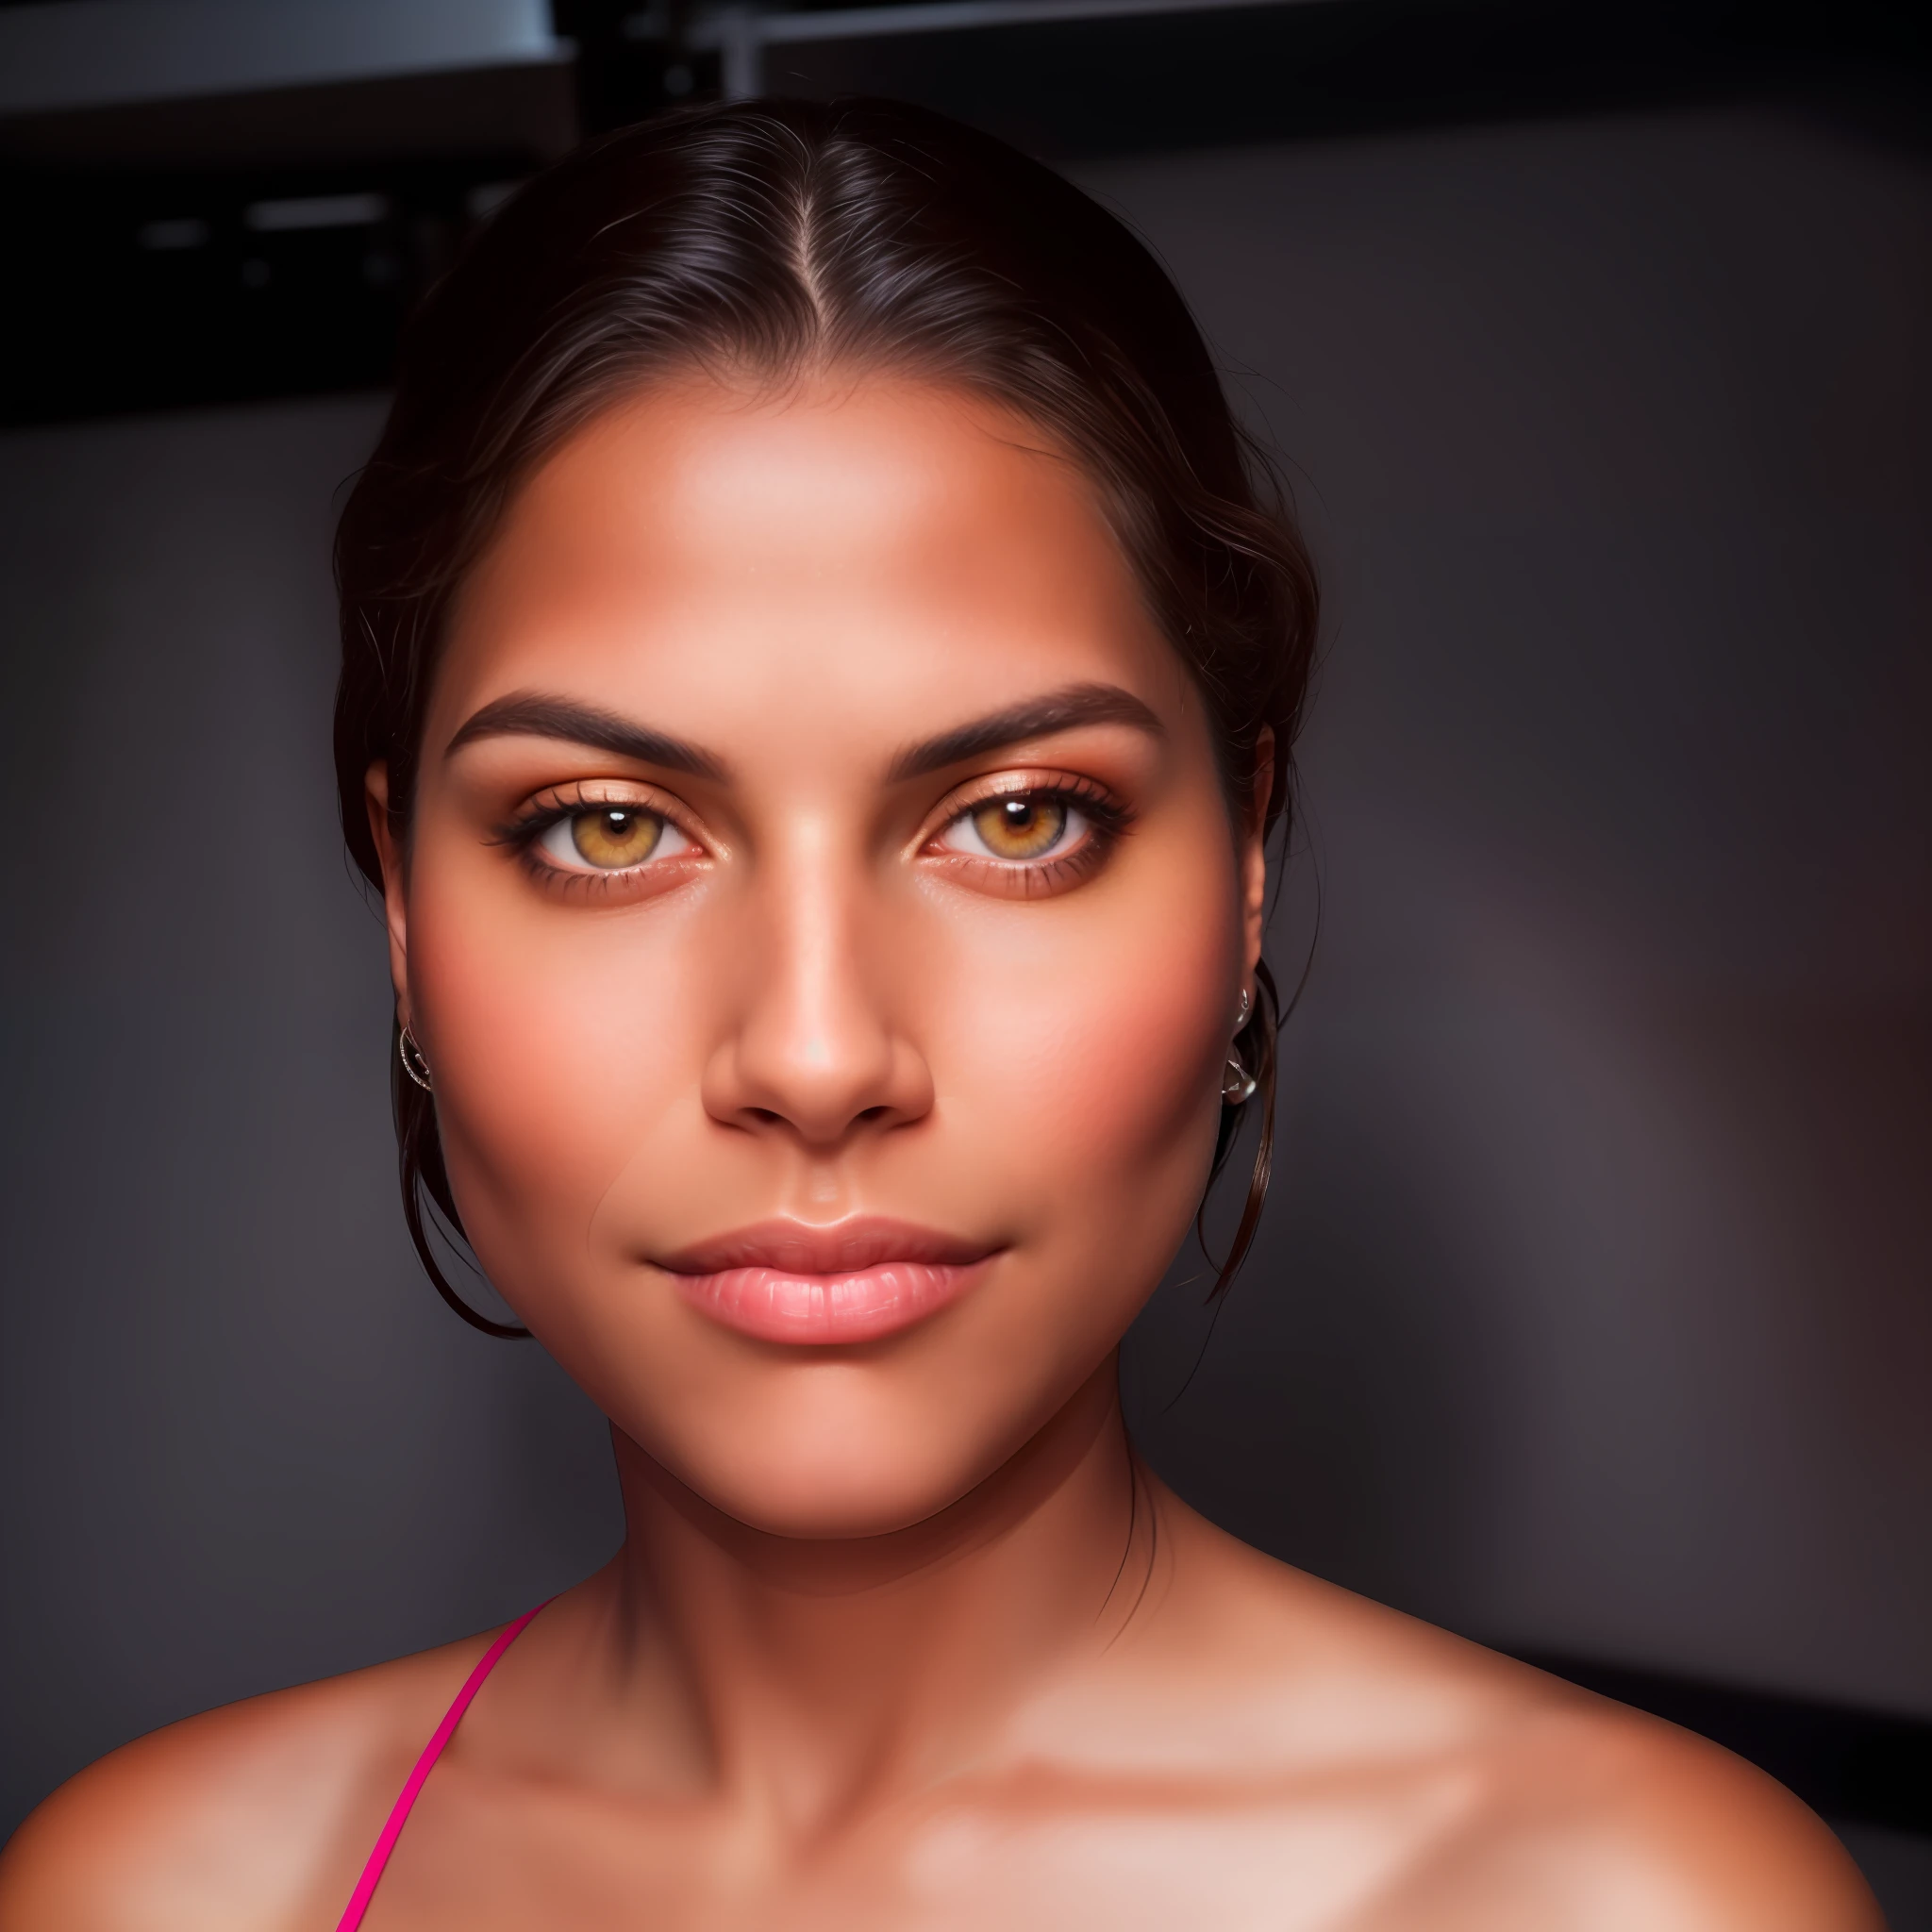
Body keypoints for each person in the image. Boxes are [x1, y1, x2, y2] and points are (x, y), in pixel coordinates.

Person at [0, 98, 1877, 1931]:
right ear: (405, 908)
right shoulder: (162, 1893)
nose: (817, 1058)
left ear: (1242, 875)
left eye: (1014, 819)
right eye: (609, 826)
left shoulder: (1627, 1901)